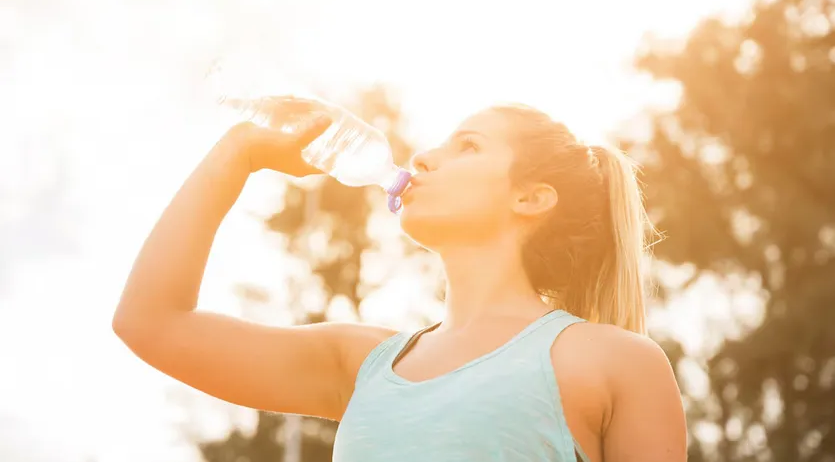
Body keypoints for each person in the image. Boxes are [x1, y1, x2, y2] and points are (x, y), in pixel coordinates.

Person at [113, 98, 687, 462]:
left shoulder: (616, 362)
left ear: (531, 198)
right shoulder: (363, 365)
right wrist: (238, 152)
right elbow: (151, 322)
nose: (425, 158)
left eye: (468, 146)